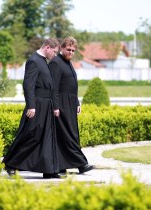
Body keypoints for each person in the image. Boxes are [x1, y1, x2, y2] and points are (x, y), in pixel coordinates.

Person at [3, 38, 66, 179]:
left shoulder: (43, 61)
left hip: (47, 105)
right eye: (54, 52)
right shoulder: (33, 61)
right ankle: (11, 163)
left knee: (48, 138)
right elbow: (28, 85)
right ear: (47, 48)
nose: (55, 55)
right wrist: (31, 106)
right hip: (37, 105)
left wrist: (54, 106)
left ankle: (49, 171)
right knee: (31, 136)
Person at [49, 37, 95, 174]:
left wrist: (76, 102)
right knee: (69, 135)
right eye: (68, 49)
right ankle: (82, 164)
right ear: (62, 48)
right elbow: (54, 87)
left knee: (68, 135)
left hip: (69, 103)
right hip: (61, 104)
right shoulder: (56, 63)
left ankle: (62, 166)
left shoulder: (68, 62)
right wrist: (55, 107)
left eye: (73, 50)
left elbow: (72, 85)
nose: (71, 52)